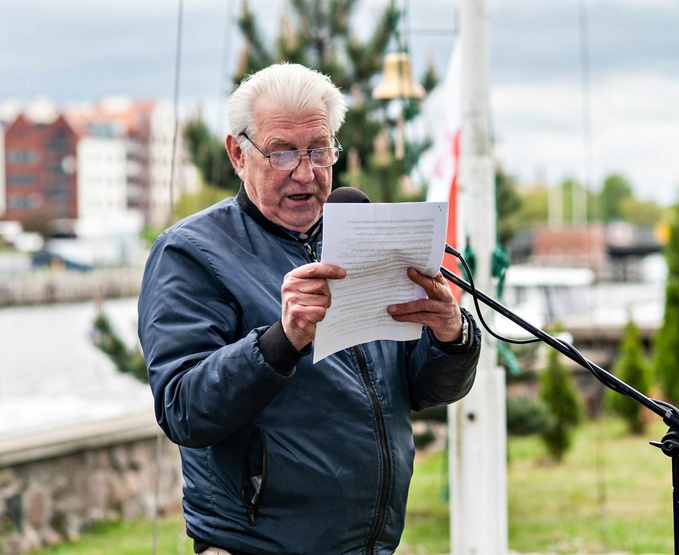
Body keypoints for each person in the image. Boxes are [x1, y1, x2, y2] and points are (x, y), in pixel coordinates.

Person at [137, 62, 481, 555]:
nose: (306, 171)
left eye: (319, 149)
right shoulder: (190, 253)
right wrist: (282, 340)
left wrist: (452, 338)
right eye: (282, 152)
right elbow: (184, 410)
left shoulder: (362, 238)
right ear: (238, 154)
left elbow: (420, 390)